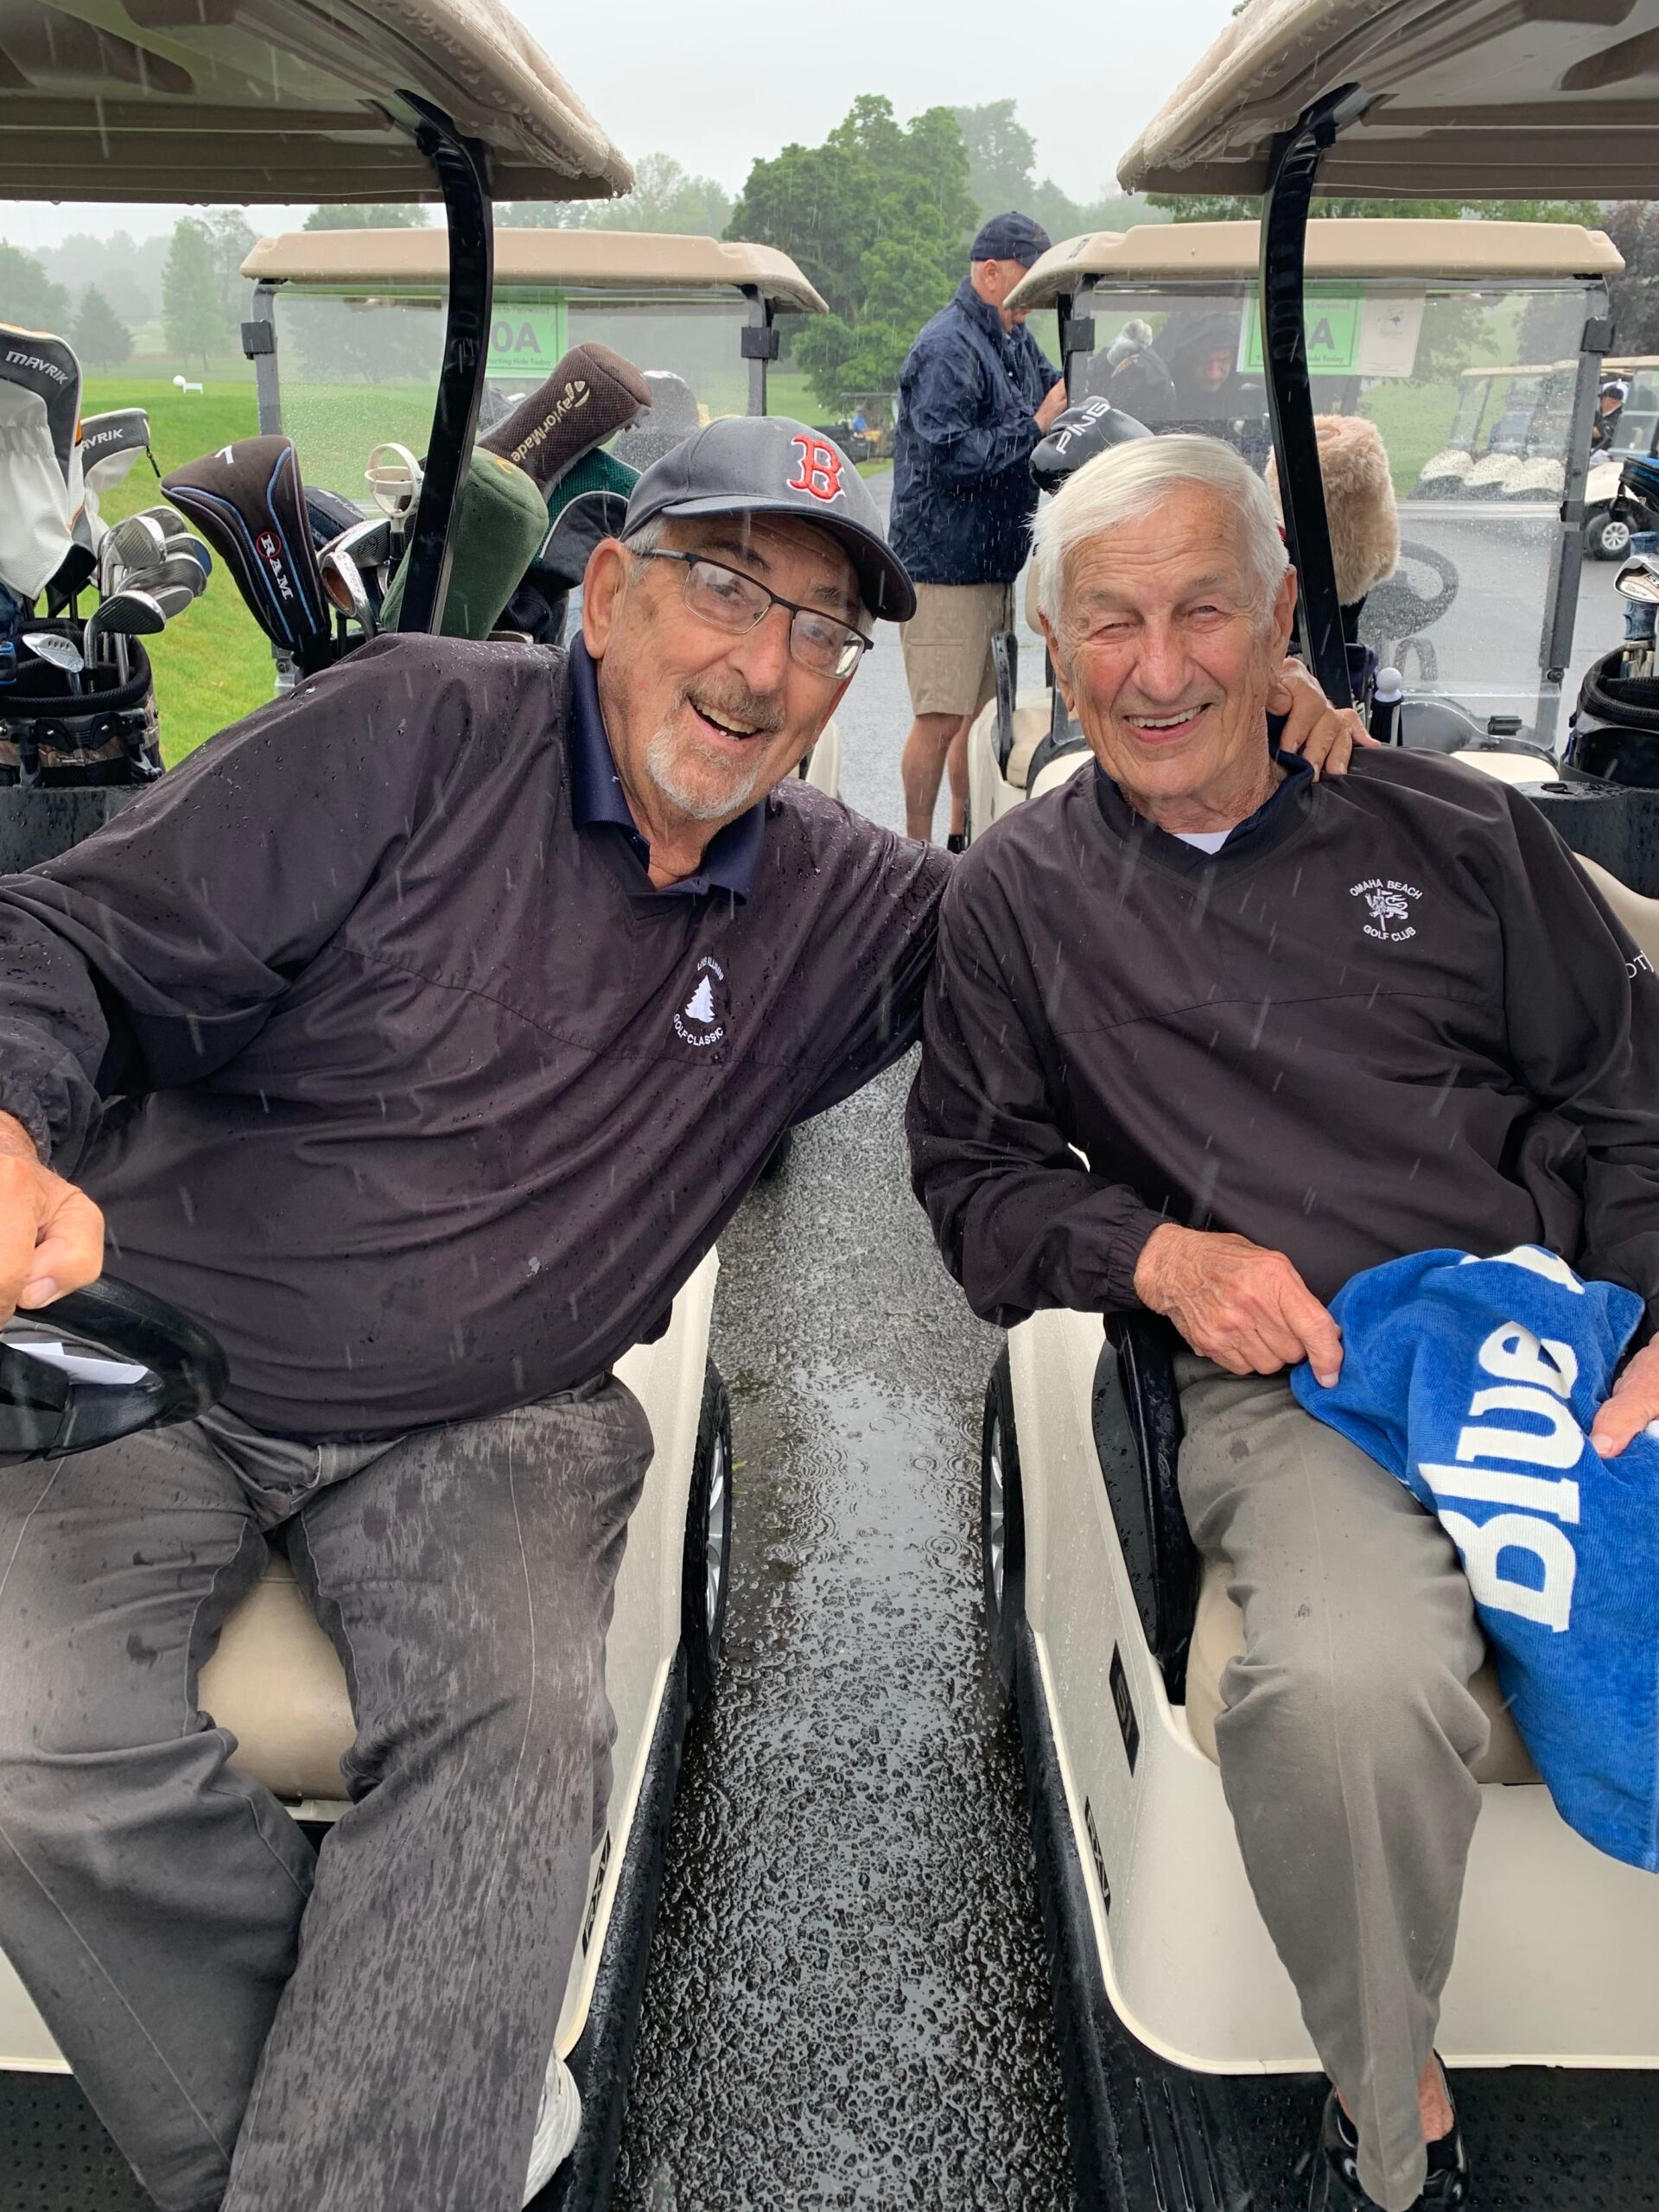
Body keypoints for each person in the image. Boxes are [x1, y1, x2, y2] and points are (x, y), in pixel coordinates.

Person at [0, 416, 948, 2212]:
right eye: (726, 588)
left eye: (823, 629)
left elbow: (1096, 938)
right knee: (31, 1742)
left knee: (522, 1725)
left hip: (499, 1413)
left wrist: (1287, 766)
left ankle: (385, 2136)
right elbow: (74, 941)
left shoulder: (850, 905)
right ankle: (419, 2120)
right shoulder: (404, 732)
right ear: (606, 593)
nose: (761, 662)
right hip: (165, 1354)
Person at [906, 434, 1659, 2212]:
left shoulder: (1454, 825)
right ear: (1055, 646)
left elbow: (1626, 1094)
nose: (1156, 669)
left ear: (1278, 625)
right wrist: (1163, 1260)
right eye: (1109, 626)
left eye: (1201, 612)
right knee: (1338, 1679)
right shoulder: (1018, 895)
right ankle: (1395, 2128)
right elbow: (976, 1182)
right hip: (1297, 1369)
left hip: (1552, 1322)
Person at [888, 211, 1068, 848]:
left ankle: (966, 838)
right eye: (1024, 284)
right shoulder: (946, 347)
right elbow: (949, 456)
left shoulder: (1010, 334)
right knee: (938, 717)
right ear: (991, 273)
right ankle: (913, 850)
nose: (1030, 304)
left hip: (992, 561)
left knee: (982, 714)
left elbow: (1055, 389)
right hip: (941, 566)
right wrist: (1036, 428)